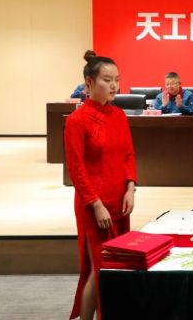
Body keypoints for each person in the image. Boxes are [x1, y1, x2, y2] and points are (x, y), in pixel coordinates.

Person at [65, 56, 137, 320]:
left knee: (114, 266)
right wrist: (95, 204)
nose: (114, 85)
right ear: (89, 82)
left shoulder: (119, 115)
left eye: (117, 80)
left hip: (119, 201)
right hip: (93, 205)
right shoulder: (77, 120)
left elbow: (128, 155)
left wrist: (130, 188)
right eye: (107, 80)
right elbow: (76, 169)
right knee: (99, 267)